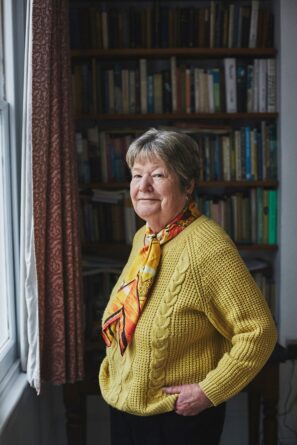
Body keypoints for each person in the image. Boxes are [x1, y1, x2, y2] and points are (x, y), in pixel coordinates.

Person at [99, 128, 277, 445]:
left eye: (157, 175)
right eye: (137, 175)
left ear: (187, 184)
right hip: (127, 407)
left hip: (175, 421)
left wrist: (209, 391)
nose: (143, 187)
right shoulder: (145, 238)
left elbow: (259, 331)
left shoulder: (207, 247)